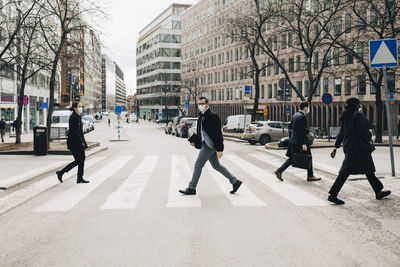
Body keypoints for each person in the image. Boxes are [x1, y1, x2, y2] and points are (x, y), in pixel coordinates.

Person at [328, 97, 391, 205]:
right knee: (345, 172)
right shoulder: (357, 115)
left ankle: (378, 191)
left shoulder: (345, 116)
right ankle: (333, 195)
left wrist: (335, 148)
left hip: (350, 147)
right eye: (359, 104)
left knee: (368, 170)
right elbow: (364, 133)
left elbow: (342, 133)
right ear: (357, 105)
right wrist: (369, 134)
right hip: (359, 149)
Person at [179, 96, 242, 195]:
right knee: (216, 165)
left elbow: (218, 134)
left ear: (207, 104)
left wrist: (220, 149)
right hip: (206, 144)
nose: (200, 105)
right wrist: (193, 140)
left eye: (202, 103)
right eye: (199, 104)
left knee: (198, 165)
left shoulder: (213, 116)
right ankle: (235, 181)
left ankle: (192, 188)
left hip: (209, 145)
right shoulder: (201, 116)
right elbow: (200, 131)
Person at [274, 102, 321, 182]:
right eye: (308, 107)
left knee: (292, 158)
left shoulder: (295, 115)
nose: (308, 109)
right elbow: (301, 131)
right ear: (305, 107)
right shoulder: (302, 116)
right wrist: (304, 144)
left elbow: (292, 127)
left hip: (294, 140)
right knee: (308, 156)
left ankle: (279, 171)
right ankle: (310, 176)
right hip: (300, 141)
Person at [56, 102, 89, 184]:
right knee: (79, 160)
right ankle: (61, 172)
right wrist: (81, 142)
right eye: (79, 106)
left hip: (79, 142)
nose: (81, 108)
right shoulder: (73, 117)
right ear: (75, 108)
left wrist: (84, 143)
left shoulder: (78, 117)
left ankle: (80, 177)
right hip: (74, 143)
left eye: (81, 106)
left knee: (82, 159)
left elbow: (80, 132)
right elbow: (75, 132)